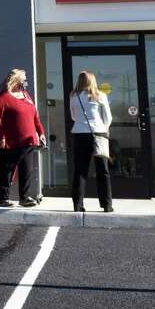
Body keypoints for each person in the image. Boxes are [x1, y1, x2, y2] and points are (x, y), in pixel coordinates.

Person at [0, 68, 46, 208]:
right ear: (16, 80)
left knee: (26, 170)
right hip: (12, 141)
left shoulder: (26, 95)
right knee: (7, 169)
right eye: (23, 79)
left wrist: (41, 133)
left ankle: (24, 198)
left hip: (29, 140)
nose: (25, 82)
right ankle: (3, 199)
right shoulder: (3, 98)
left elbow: (35, 117)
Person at [70, 69, 114, 213]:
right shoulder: (100, 95)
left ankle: (78, 204)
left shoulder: (74, 96)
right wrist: (104, 128)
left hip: (79, 134)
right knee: (103, 170)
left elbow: (73, 116)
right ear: (93, 81)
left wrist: (82, 123)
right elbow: (108, 117)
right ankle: (106, 205)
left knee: (80, 170)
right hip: (98, 133)